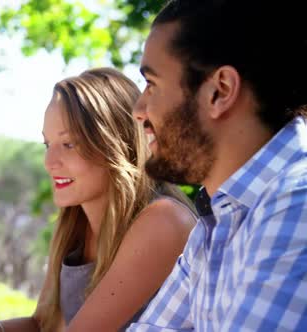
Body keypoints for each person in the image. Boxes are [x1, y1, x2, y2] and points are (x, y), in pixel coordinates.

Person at [127, 0, 307, 330]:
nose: (139, 109)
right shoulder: (219, 223)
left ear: (219, 91)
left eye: (152, 84)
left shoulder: (297, 204)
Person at [0, 68, 196, 332]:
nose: (49, 162)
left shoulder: (162, 220)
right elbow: (44, 324)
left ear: (115, 145)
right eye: (47, 144)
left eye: (69, 145)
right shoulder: (74, 223)